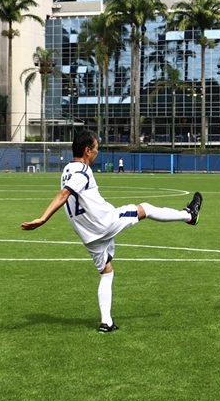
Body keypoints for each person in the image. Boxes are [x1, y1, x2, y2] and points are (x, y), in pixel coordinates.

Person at [21, 130, 202, 332]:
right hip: (105, 222)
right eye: (96, 148)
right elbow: (64, 194)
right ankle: (189, 215)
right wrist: (43, 218)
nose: (97, 152)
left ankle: (106, 322)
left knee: (106, 272)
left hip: (88, 236)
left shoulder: (67, 171)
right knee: (146, 209)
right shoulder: (82, 171)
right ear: (87, 150)